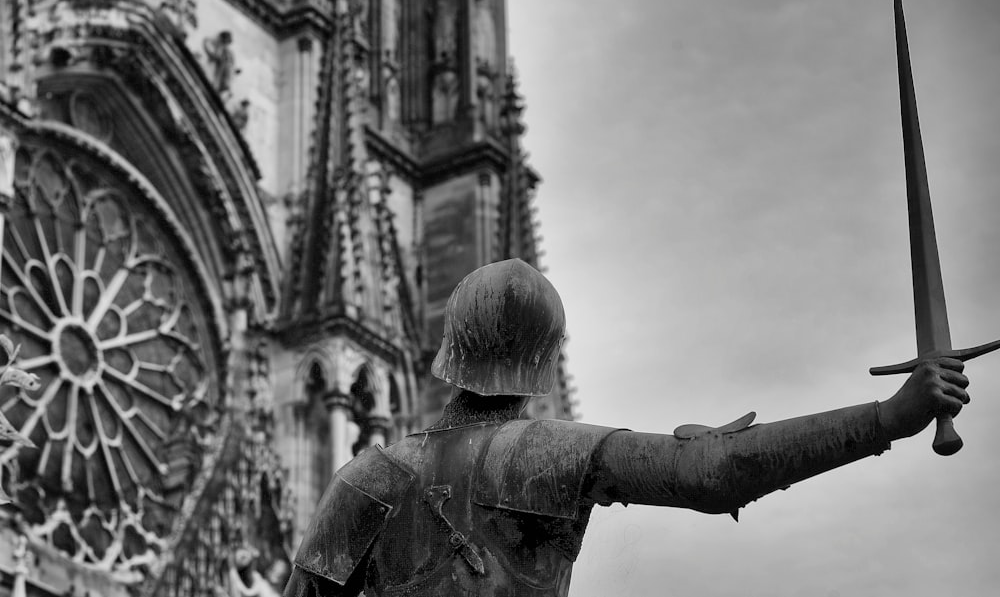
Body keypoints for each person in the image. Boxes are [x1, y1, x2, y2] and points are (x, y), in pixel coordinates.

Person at [284, 259, 970, 597]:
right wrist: (891, 416)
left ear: (452, 348)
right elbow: (717, 473)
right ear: (542, 360)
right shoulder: (550, 452)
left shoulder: (366, 479)